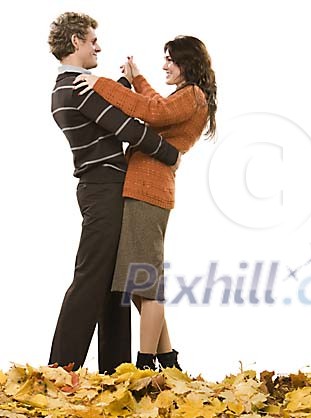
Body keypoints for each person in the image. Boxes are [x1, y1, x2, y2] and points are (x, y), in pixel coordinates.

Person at [47, 12, 183, 374]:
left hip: (101, 188)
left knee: (114, 283)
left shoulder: (66, 88)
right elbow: (126, 126)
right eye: (93, 41)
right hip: (104, 190)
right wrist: (171, 154)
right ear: (76, 42)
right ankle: (60, 370)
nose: (99, 47)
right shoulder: (78, 88)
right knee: (92, 278)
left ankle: (116, 371)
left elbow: (111, 103)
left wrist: (123, 79)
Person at [74, 35, 217, 370]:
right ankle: (167, 360)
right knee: (140, 285)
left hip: (148, 190)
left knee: (145, 284)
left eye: (170, 59)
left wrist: (101, 84)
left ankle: (144, 364)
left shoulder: (193, 95)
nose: (165, 65)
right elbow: (157, 104)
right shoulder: (187, 96)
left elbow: (153, 112)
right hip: (145, 188)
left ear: (188, 62)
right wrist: (136, 77)